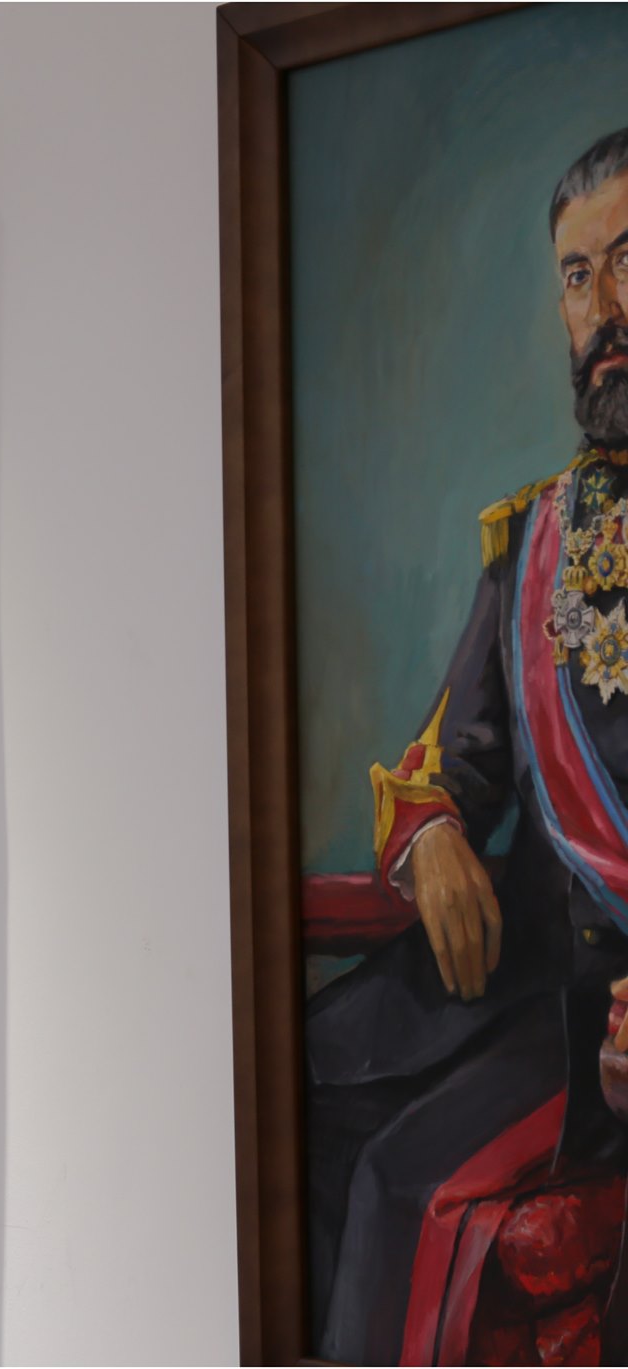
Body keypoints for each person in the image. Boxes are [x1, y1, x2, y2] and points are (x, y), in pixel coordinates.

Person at [307, 127, 628, 1362]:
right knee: (298, 1083)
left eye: (626, 261)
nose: (601, 308)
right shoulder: (533, 539)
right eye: (574, 275)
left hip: (602, 1035)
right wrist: (432, 832)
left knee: (403, 1180)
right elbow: (452, 761)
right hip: (518, 986)